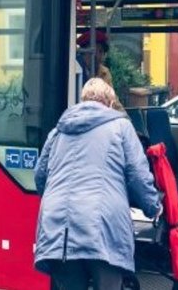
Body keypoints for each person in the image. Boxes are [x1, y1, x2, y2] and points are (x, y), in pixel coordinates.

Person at [33, 77, 162, 290]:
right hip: (102, 226)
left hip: (57, 226)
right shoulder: (121, 126)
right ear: (110, 104)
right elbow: (138, 175)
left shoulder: (57, 131)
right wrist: (153, 207)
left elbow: (40, 177)